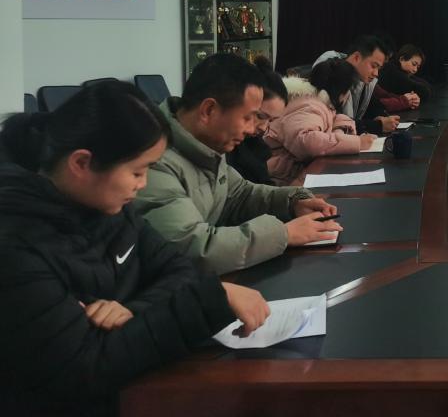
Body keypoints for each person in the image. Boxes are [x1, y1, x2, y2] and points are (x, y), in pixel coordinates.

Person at [0, 82, 270, 417]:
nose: (142, 185)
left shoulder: (109, 207)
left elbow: (178, 269)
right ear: (81, 163)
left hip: (141, 399)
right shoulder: (16, 245)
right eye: (137, 171)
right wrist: (207, 302)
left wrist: (131, 310)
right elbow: (84, 368)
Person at [134, 53, 342, 275]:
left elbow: (238, 194)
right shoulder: (151, 161)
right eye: (247, 118)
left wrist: (292, 201)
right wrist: (284, 234)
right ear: (209, 110)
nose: (253, 129)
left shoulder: (207, 144)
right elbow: (193, 250)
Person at [266, 57, 377, 185]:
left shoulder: (317, 103)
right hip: (282, 181)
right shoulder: (310, 105)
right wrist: (357, 143)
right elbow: (306, 141)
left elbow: (330, 121)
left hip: (291, 174)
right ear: (341, 91)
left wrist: (339, 128)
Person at [313, 35, 400, 135]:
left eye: (378, 68)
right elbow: (334, 122)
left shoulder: (361, 78)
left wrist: (380, 117)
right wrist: (377, 126)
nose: (376, 73)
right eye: (373, 66)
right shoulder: (331, 71)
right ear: (357, 57)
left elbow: (372, 105)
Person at [227, 55, 288, 185]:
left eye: (271, 121)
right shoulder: (224, 147)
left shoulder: (257, 148)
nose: (264, 128)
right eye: (260, 116)